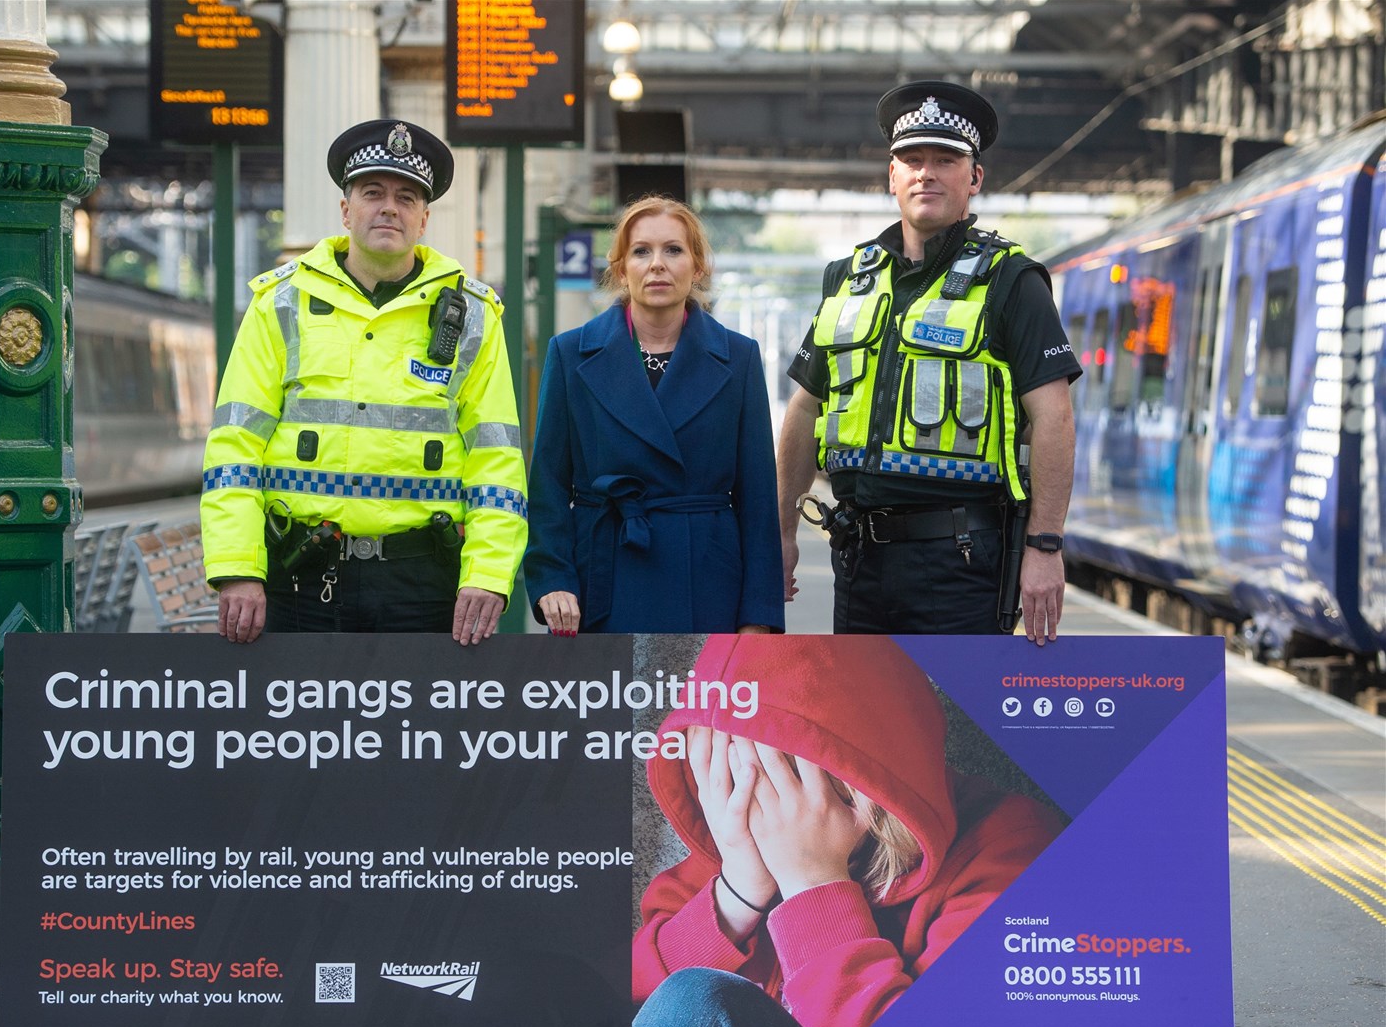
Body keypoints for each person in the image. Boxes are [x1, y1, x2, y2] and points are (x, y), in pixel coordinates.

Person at [631, 634, 1063, 1027]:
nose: (755, 804)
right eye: (726, 774)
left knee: (691, 1004)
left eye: (777, 779)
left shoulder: (1012, 850)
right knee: (683, 1002)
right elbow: (636, 1005)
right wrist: (739, 889)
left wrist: (813, 883)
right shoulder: (741, 836)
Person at [201, 119, 527, 646]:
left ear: (424, 219)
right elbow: (235, 445)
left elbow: (497, 458)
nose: (389, 207)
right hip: (298, 575)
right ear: (346, 210)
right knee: (295, 729)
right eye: (372, 192)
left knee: (420, 729)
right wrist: (238, 565)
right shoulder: (279, 303)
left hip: (423, 583)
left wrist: (489, 573)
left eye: (406, 196)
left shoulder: (473, 316)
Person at [776, 81, 1079, 643]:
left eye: (946, 159)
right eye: (912, 160)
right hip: (858, 559)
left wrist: (1045, 546)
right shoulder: (848, 279)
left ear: (975, 178)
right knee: (862, 727)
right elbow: (804, 409)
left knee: (952, 727)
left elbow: (1055, 417)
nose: (927, 173)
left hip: (960, 561)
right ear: (892, 176)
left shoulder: (1012, 281)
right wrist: (783, 532)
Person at [524, 196, 784, 635]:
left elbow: (758, 497)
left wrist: (758, 617)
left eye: (674, 250)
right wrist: (553, 578)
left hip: (707, 582)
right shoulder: (570, 353)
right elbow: (547, 482)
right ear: (621, 268)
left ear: (698, 267)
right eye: (641, 251)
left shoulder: (738, 358)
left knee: (696, 705)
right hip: (601, 580)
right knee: (609, 705)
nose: (657, 264)